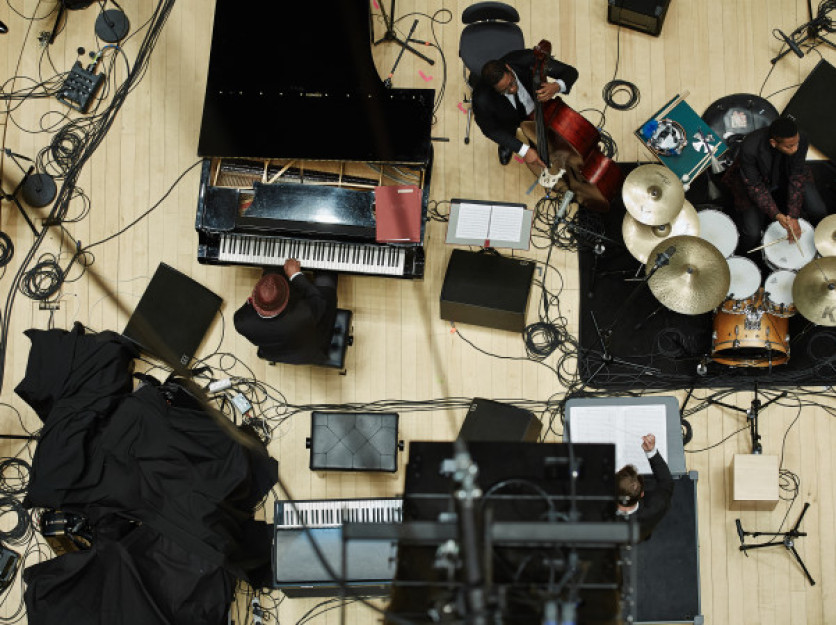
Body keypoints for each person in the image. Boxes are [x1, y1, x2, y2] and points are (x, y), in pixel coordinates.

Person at [723, 117, 827, 254]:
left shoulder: (801, 138)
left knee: (818, 210)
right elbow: (756, 187)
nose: (795, 149)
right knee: (752, 232)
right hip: (756, 183)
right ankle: (744, 254)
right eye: (789, 146)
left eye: (796, 144)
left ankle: (821, 244)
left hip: (787, 176)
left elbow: (797, 176)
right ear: (773, 143)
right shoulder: (750, 147)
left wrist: (793, 215)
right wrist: (777, 215)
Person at [472, 49, 578, 166]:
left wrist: (557, 86)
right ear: (493, 89)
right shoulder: (481, 99)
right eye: (504, 91)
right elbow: (491, 129)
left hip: (539, 108)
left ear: (508, 68)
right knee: (506, 131)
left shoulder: (529, 60)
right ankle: (508, 143)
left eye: (512, 82)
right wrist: (522, 150)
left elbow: (570, 72)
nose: (512, 89)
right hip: (507, 119)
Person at [233, 259, 337, 365]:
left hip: (274, 353)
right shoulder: (303, 314)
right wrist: (296, 275)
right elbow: (318, 300)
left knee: (271, 270)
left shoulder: (240, 321)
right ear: (287, 296)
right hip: (310, 351)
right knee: (326, 277)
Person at [615, 433, 674, 543]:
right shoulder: (657, 505)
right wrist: (651, 452)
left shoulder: (597, 514)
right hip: (642, 533)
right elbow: (666, 482)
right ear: (641, 493)